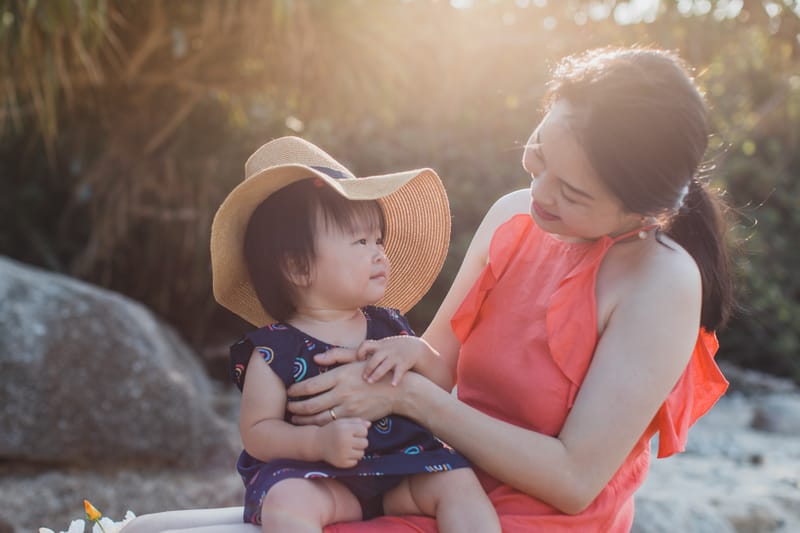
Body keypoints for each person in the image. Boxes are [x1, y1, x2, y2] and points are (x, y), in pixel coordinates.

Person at [123, 45, 733, 533]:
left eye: (571, 192)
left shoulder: (662, 279)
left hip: (519, 515)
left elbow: (574, 481)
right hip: (423, 476)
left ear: (642, 208)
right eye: (538, 154)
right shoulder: (514, 216)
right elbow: (436, 365)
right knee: (139, 529)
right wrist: (361, 382)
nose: (540, 192)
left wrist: (409, 399)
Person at [156, 136, 500, 533]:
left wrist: (418, 352)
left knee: (457, 480)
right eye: (361, 241)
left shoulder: (389, 327)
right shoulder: (273, 349)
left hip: (403, 469)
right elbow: (257, 432)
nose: (380, 253)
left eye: (378, 240)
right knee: (287, 501)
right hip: (323, 478)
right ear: (299, 268)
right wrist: (317, 444)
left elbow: (440, 386)